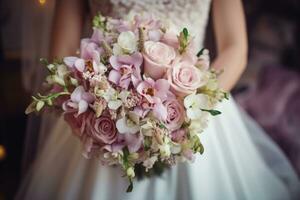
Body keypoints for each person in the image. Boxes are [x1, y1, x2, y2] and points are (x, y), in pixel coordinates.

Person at [17, 0, 300, 199]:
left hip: (195, 108)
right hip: (104, 110)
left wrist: (186, 108)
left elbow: (235, 47)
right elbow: (62, 52)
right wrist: (102, 104)